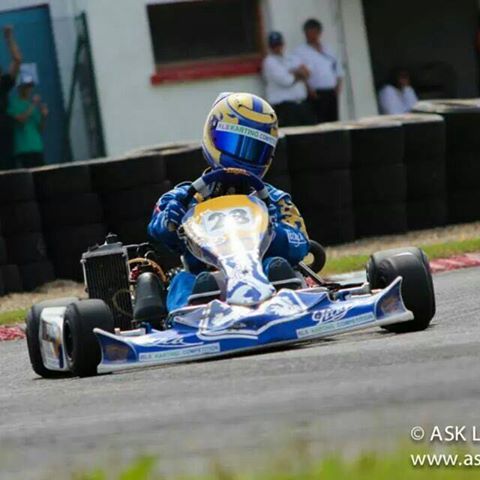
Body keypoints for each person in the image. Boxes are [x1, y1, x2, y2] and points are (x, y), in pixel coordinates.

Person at [148, 92, 310, 312]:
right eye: (233, 143)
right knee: (182, 280)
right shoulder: (183, 197)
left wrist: (273, 231)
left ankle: (288, 303)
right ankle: (189, 316)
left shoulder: (275, 201)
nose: (241, 156)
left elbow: (300, 244)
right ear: (212, 136)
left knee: (276, 267)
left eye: (254, 150)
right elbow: (157, 229)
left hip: (262, 277)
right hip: (207, 284)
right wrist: (170, 221)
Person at [294, 18, 344, 123]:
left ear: (319, 33)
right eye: (308, 32)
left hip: (331, 91)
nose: (311, 35)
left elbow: (337, 68)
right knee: (319, 121)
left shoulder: (328, 49)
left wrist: (339, 85)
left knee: (333, 121)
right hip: (315, 92)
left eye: (314, 32)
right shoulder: (300, 51)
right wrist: (308, 88)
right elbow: (300, 73)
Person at [262, 31, 315, 127]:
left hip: (301, 104)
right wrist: (298, 73)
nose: (277, 48)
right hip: (285, 107)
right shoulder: (269, 62)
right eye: (274, 45)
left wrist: (294, 73)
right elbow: (286, 80)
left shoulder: (291, 57)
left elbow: (307, 73)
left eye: (279, 44)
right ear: (269, 47)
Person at [8, 74, 48, 168]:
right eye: (26, 87)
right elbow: (21, 120)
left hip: (37, 148)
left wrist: (43, 116)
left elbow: (40, 129)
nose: (28, 90)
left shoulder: (32, 105)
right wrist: (33, 104)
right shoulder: (14, 103)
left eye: (30, 87)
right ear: (20, 88)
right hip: (23, 149)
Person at [0, 25, 22, 170]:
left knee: (7, 165)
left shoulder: (3, 84)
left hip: (3, 129)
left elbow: (17, 60)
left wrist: (9, 39)